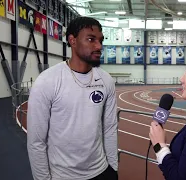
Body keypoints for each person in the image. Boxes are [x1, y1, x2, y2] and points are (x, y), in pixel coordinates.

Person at [27, 17, 118, 180]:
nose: (98, 46)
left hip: (102, 171)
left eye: (100, 40)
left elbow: (110, 128)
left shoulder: (106, 80)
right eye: (91, 39)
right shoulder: (47, 81)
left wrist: (113, 168)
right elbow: (36, 142)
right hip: (63, 176)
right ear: (72, 40)